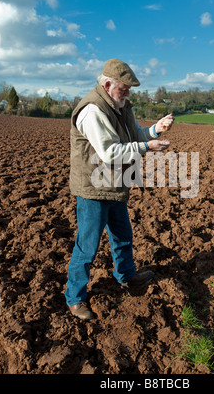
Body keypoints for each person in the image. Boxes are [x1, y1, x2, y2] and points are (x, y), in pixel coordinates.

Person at [65, 59, 174, 320]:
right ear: (106, 84)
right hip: (93, 188)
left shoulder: (121, 105)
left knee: (123, 235)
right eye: (123, 89)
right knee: (87, 246)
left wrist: (154, 130)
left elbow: (134, 134)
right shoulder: (93, 110)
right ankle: (75, 298)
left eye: (129, 90)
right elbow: (111, 152)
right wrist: (148, 148)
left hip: (115, 184)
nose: (127, 94)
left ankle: (126, 275)